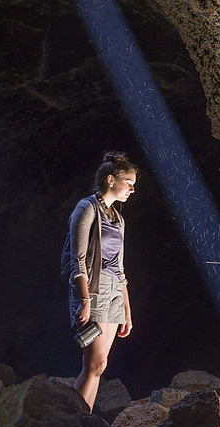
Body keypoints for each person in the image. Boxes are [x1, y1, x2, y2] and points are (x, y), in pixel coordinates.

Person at [66, 151, 136, 412]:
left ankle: (84, 417)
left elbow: (120, 268)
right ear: (110, 179)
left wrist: (127, 311)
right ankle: (72, 420)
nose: (132, 189)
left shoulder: (118, 219)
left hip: (114, 291)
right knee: (93, 363)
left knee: (101, 365)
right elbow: (78, 260)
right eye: (128, 182)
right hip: (93, 290)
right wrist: (84, 300)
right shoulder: (86, 208)